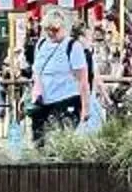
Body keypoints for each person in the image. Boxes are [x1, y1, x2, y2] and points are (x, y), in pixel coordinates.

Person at [27, 8, 88, 142]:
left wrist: (85, 108)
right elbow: (37, 71)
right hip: (43, 100)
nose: (50, 33)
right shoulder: (41, 44)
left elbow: (82, 80)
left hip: (66, 98)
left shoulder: (73, 46)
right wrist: (35, 92)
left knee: (61, 140)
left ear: (63, 28)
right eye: (47, 29)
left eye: (55, 30)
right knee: (39, 141)